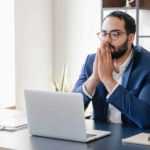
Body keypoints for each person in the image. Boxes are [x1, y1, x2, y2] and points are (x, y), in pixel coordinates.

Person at [73, 11, 150, 128]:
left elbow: (146, 118)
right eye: (104, 34)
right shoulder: (92, 60)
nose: (107, 40)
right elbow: (71, 109)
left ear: (130, 38)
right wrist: (94, 78)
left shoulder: (146, 65)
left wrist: (108, 80)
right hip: (101, 135)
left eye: (115, 34)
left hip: (134, 138)